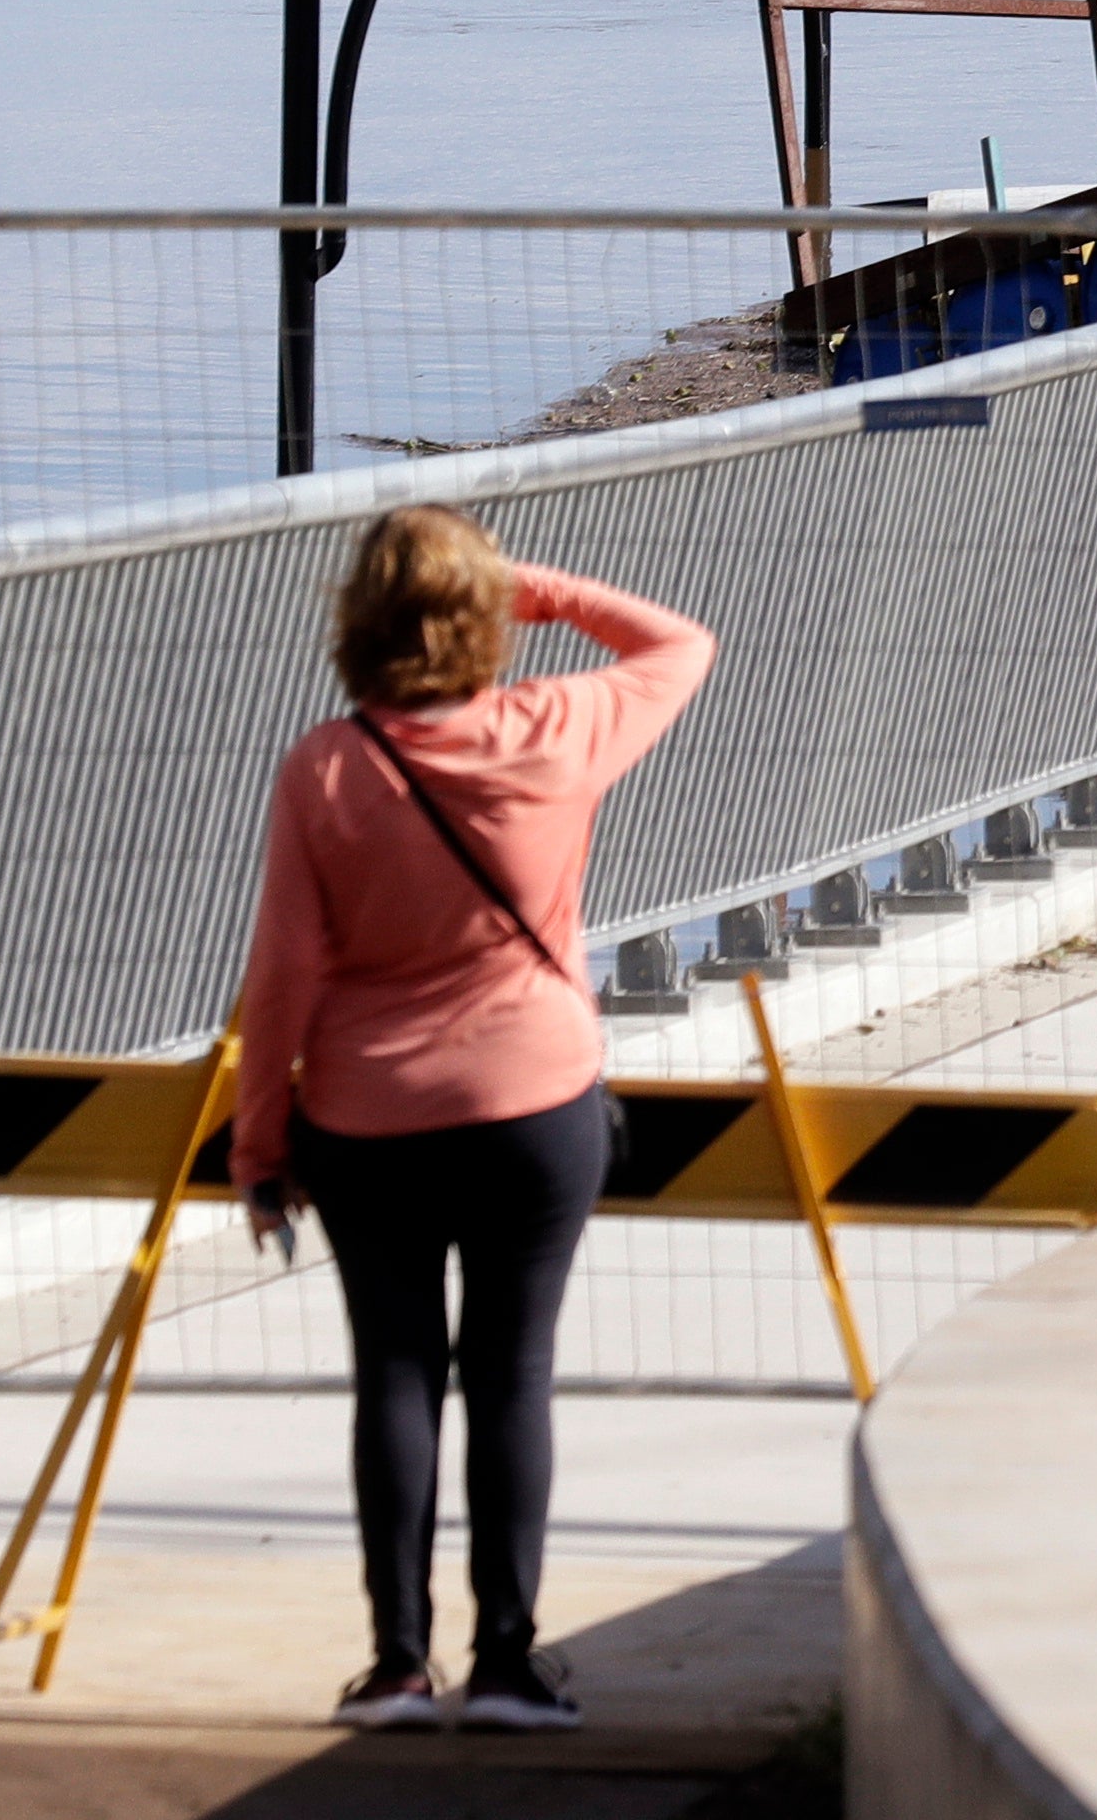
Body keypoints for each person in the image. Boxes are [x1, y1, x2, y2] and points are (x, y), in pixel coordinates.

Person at [232, 505, 713, 1732]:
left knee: (395, 1372)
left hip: (363, 1113)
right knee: (512, 1375)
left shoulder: (325, 766)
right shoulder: (556, 730)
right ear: (481, 617)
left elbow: (282, 974)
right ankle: (508, 1664)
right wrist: (533, 590)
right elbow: (681, 645)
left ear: (360, 621)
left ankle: (396, 1665)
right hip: (533, 1102)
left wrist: (258, 1142)